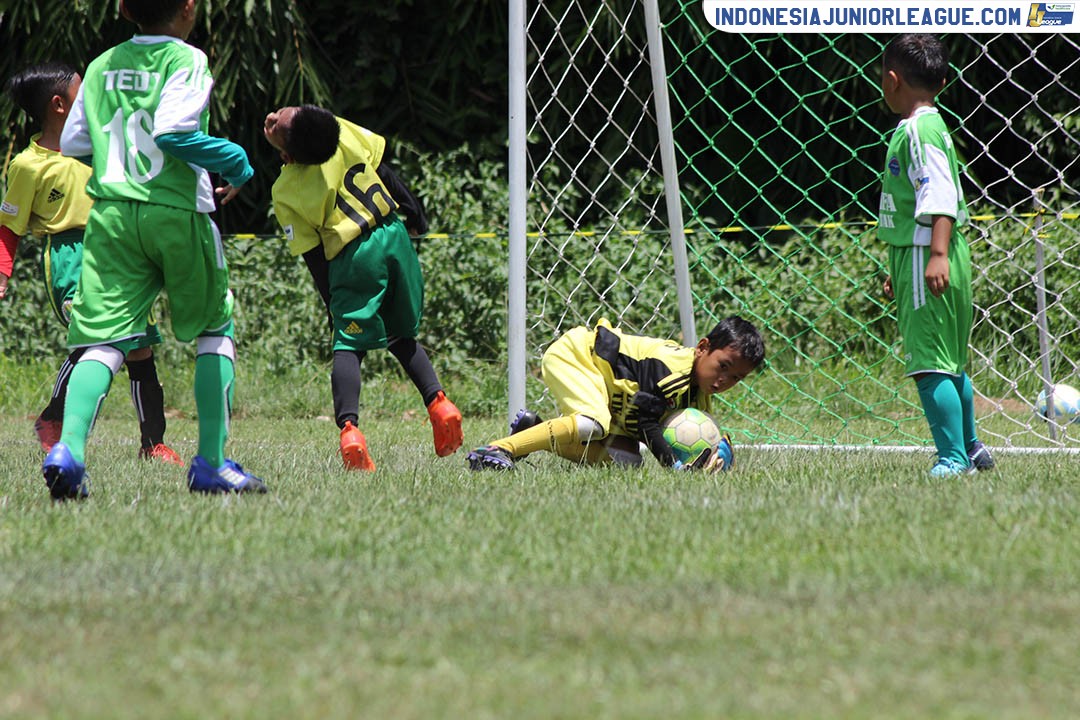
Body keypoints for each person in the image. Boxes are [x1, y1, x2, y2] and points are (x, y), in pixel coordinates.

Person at [45, 0, 267, 498]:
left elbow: (74, 142)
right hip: (177, 211)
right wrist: (235, 159)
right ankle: (211, 463)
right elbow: (172, 133)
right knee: (215, 327)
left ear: (126, 9)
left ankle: (69, 451)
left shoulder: (101, 64)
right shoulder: (186, 58)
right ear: (188, 8)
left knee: (103, 340)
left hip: (112, 216)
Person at [263, 104, 463, 471]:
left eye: (279, 121)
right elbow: (383, 170)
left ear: (287, 156)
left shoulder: (286, 190)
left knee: (348, 345)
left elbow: (313, 256)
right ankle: (440, 404)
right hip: (394, 237)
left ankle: (350, 431)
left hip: (354, 255)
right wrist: (414, 212)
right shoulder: (340, 131)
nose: (272, 118)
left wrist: (332, 305)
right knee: (401, 336)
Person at [1, 63, 182, 464]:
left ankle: (153, 444)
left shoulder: (102, 146)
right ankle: (54, 418)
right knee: (96, 338)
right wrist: (3, 273)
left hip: (118, 252)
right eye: (82, 92)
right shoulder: (28, 165)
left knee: (138, 348)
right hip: (70, 258)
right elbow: (8, 227)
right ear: (59, 105)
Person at [878, 34, 994, 477]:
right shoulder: (933, 125)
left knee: (929, 363)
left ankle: (952, 459)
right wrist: (901, 267)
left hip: (927, 252)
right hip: (927, 254)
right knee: (950, 362)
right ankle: (971, 448)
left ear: (892, 80)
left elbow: (938, 195)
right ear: (942, 83)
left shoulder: (917, 130)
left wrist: (935, 255)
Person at [467, 316, 764, 471]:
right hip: (579, 355)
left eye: (736, 378)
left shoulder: (698, 392)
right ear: (702, 348)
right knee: (591, 422)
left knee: (627, 462)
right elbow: (645, 421)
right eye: (723, 366)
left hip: (605, 388)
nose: (724, 380)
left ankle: (533, 431)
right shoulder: (671, 368)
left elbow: (705, 432)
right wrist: (673, 465)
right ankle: (497, 449)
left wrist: (719, 453)